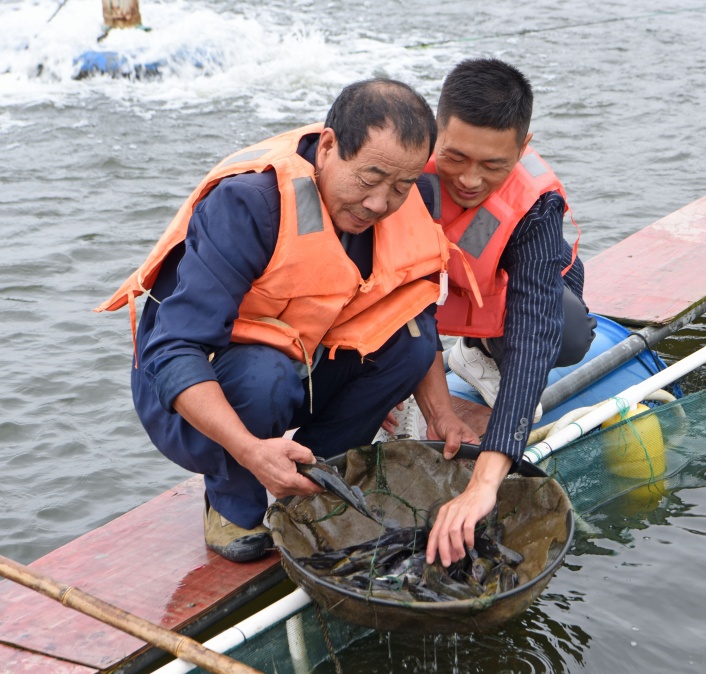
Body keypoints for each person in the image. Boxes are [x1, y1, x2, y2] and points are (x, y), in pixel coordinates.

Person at [96, 79, 448, 563]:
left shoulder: (412, 200)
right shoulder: (251, 204)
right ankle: (231, 498)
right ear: (328, 147)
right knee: (264, 376)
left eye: (400, 187)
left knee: (412, 341)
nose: (379, 204)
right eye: (368, 180)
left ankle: (313, 480)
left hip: (304, 358)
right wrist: (249, 449)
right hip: (196, 387)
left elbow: (416, 310)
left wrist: (440, 414)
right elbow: (173, 351)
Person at [413, 58, 596, 567]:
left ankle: (477, 351)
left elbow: (537, 331)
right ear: (435, 129)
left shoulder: (536, 205)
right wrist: (438, 411)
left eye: (494, 165)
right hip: (424, 293)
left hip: (493, 296)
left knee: (567, 330)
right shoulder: (402, 167)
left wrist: (485, 480)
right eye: (456, 157)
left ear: (523, 145)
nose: (470, 179)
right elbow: (401, 298)